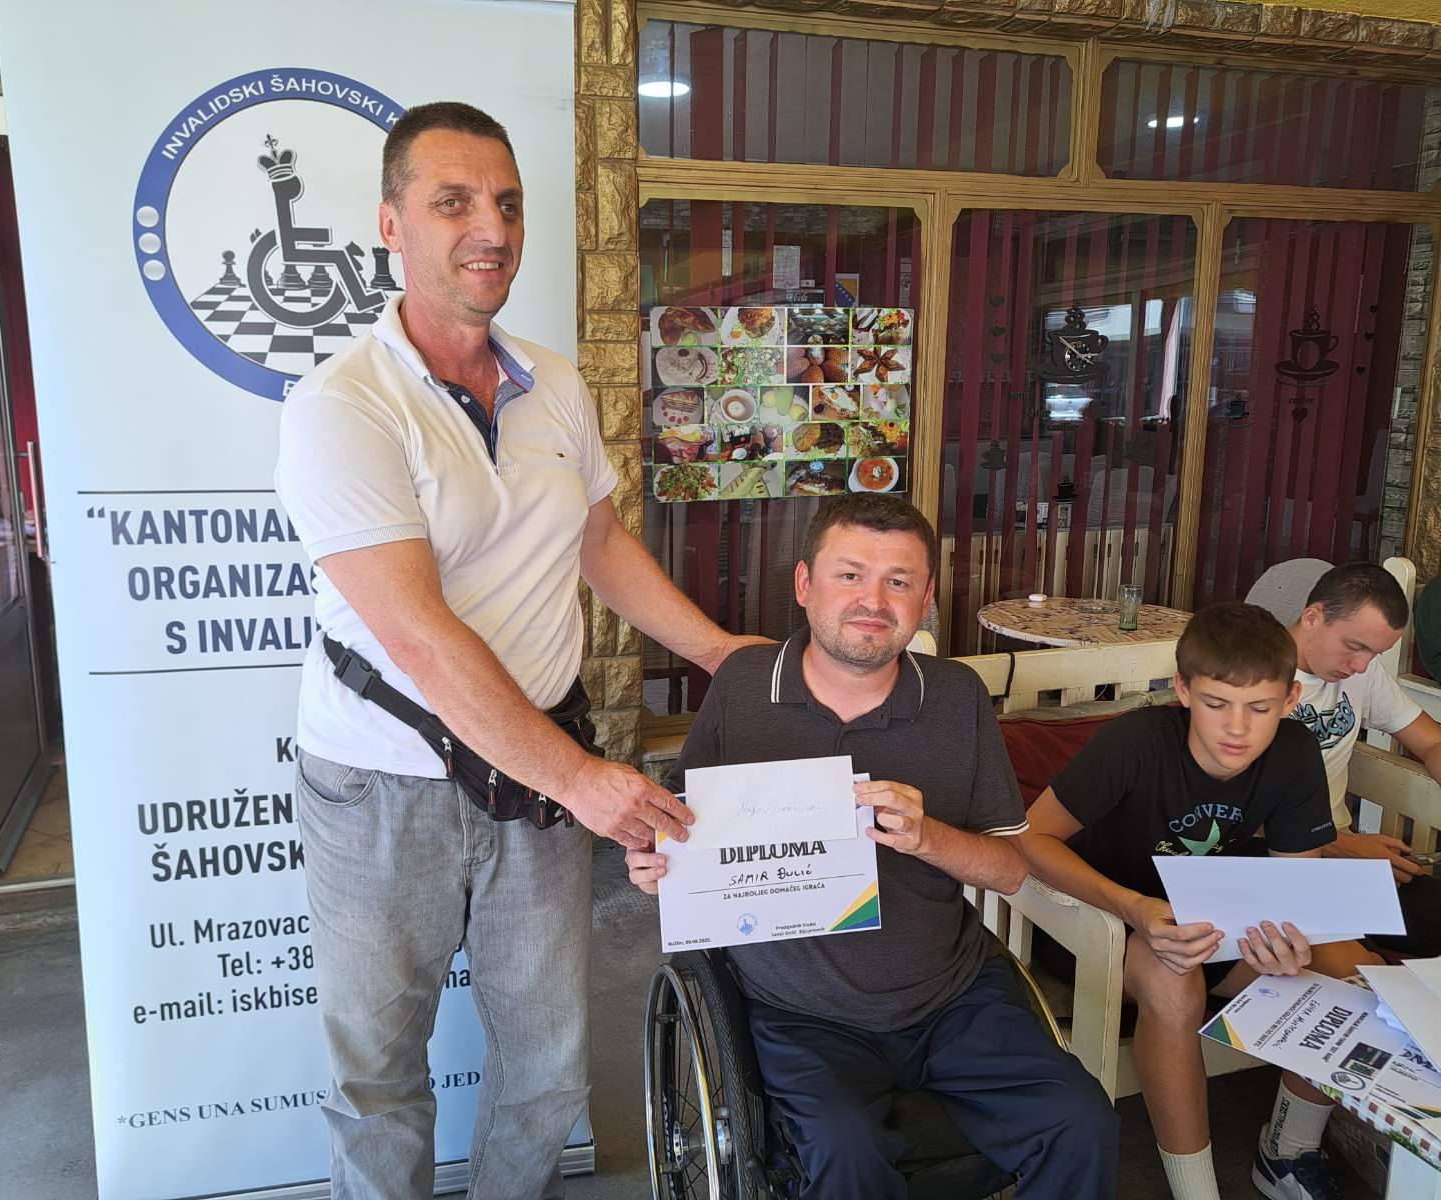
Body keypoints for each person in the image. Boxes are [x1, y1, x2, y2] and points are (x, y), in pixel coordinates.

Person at [274, 102, 760, 1200]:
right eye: (453, 202)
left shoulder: (555, 383)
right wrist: (581, 780)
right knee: (378, 1075)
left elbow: (599, 543)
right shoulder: (341, 407)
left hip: (535, 774)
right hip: (382, 786)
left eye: (507, 203)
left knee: (545, 1065)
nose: (489, 228)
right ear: (392, 225)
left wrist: (721, 650)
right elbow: (417, 636)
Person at [626, 494, 1119, 1200]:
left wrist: (926, 837)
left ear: (926, 597)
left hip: (950, 996)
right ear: (805, 584)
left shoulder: (956, 697)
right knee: (845, 1154)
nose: (873, 601)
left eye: (898, 581)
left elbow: (1010, 870)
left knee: (1083, 1122)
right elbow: (680, 827)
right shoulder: (745, 685)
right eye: (850, 575)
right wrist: (656, 863)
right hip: (799, 1009)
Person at [1017, 602, 1381, 1200]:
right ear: (1183, 690)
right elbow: (1032, 836)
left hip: (1217, 919)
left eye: (1259, 708)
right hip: (1098, 919)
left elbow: (1293, 887)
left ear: (1290, 699)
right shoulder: (1135, 742)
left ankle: (1287, 1151)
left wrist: (1286, 940)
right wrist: (1133, 907)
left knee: (1351, 970)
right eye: (1216, 704)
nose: (1237, 728)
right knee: (1172, 979)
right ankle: (1197, 1191)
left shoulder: (1294, 752)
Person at [1285, 561, 1441, 956]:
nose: (1360, 666)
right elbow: (1229, 813)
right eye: (1355, 647)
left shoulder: (1360, 674)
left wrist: (1346, 849)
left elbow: (1431, 742)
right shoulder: (1254, 681)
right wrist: (1337, 845)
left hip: (1347, 864)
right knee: (1354, 962)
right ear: (1313, 617)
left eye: (1375, 653)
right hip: (1279, 866)